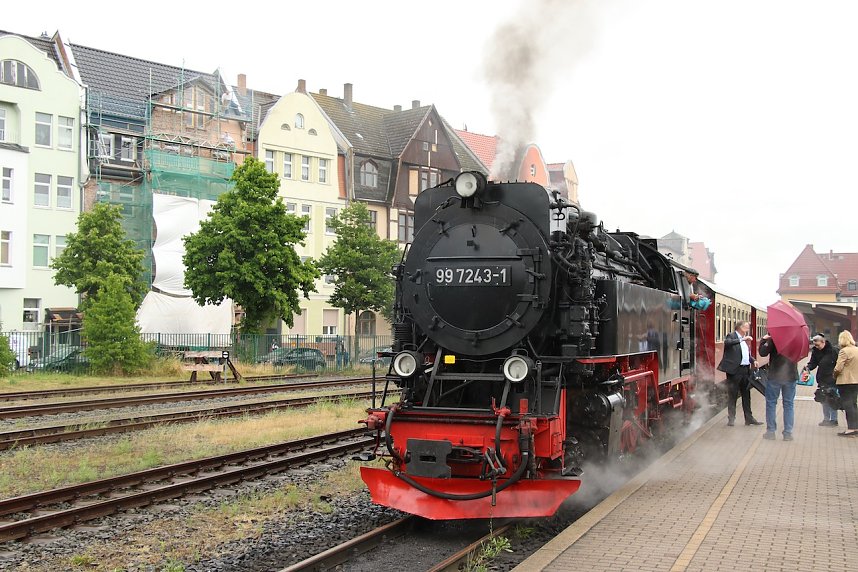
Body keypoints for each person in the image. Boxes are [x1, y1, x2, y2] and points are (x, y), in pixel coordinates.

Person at [717, 321, 762, 426]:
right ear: (740, 327)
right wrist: (742, 339)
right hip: (734, 370)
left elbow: (746, 354)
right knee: (733, 395)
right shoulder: (732, 336)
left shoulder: (744, 339)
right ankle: (731, 419)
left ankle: (749, 418)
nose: (748, 327)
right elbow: (727, 343)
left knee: (746, 394)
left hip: (745, 370)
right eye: (746, 326)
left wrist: (753, 360)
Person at [759, 333, 799, 441]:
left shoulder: (774, 339)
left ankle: (771, 432)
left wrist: (763, 340)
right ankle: (788, 433)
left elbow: (762, 352)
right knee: (788, 404)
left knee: (771, 403)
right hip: (790, 376)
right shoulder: (796, 341)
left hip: (775, 377)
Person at [803, 333, 839, 426]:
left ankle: (834, 419)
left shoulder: (834, 351)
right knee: (823, 399)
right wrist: (808, 367)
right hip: (822, 378)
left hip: (832, 378)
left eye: (818, 345)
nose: (816, 347)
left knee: (832, 398)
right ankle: (826, 419)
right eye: (815, 345)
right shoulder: (815, 351)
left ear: (823, 342)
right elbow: (813, 363)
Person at [833, 330, 858, 437]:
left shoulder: (844, 351)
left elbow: (838, 368)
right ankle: (856, 427)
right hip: (856, 381)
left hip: (846, 382)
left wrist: (834, 375)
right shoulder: (857, 350)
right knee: (854, 404)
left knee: (848, 405)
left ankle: (851, 429)